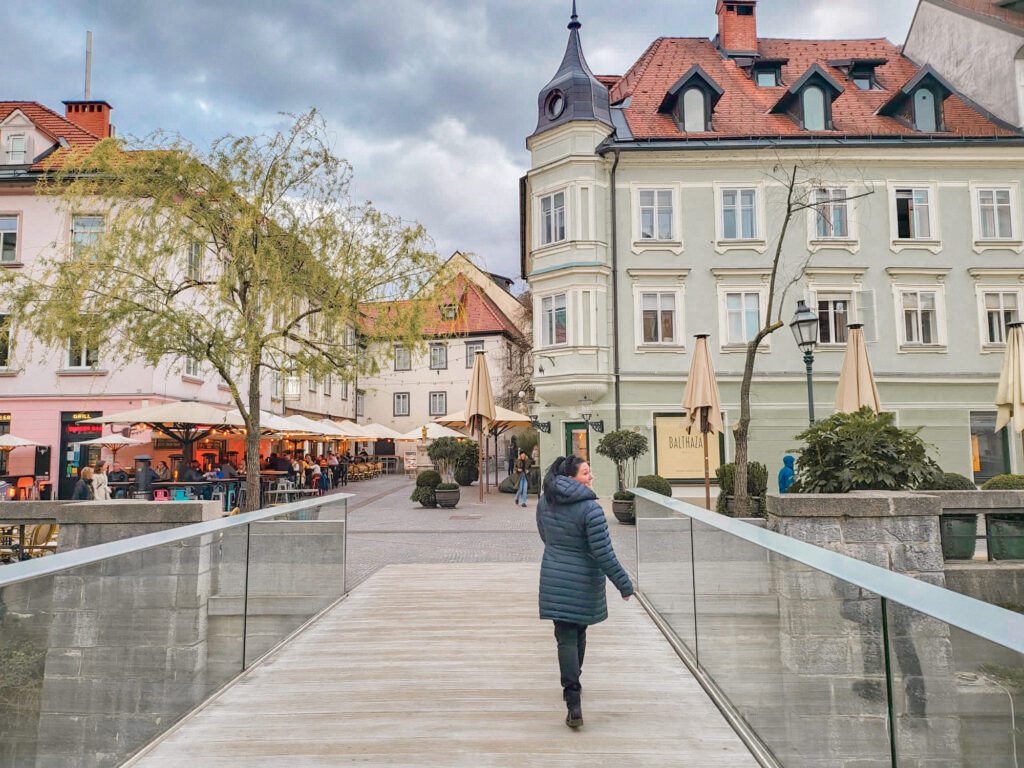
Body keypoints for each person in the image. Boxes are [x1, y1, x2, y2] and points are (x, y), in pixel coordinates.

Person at [536, 456, 633, 729]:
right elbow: (603, 552)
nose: (591, 477)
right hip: (583, 578)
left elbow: (546, 536)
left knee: (565, 636)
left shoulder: (545, 501)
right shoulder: (591, 508)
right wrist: (624, 585)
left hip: (554, 575)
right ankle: (573, 683)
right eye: (586, 473)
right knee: (578, 631)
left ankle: (572, 696)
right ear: (571, 477)